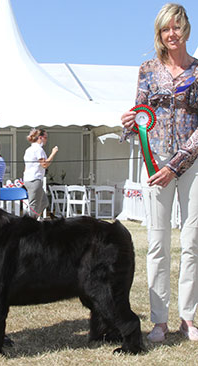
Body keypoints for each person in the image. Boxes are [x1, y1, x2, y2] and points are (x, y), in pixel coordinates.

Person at [121, 3, 198, 343]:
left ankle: (188, 318)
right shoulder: (147, 69)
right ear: (160, 33)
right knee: (157, 242)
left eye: (177, 27)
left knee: (192, 242)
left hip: (191, 163)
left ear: (186, 30)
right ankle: (158, 321)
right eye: (166, 28)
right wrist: (127, 124)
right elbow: (140, 112)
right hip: (155, 162)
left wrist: (176, 164)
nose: (172, 34)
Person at [23, 128, 58, 219]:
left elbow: (26, 166)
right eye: (45, 138)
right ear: (40, 138)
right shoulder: (38, 149)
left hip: (28, 179)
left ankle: (32, 218)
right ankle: (30, 222)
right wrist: (53, 153)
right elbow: (45, 165)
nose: (46, 140)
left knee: (44, 202)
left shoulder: (28, 149)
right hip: (34, 179)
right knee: (34, 205)